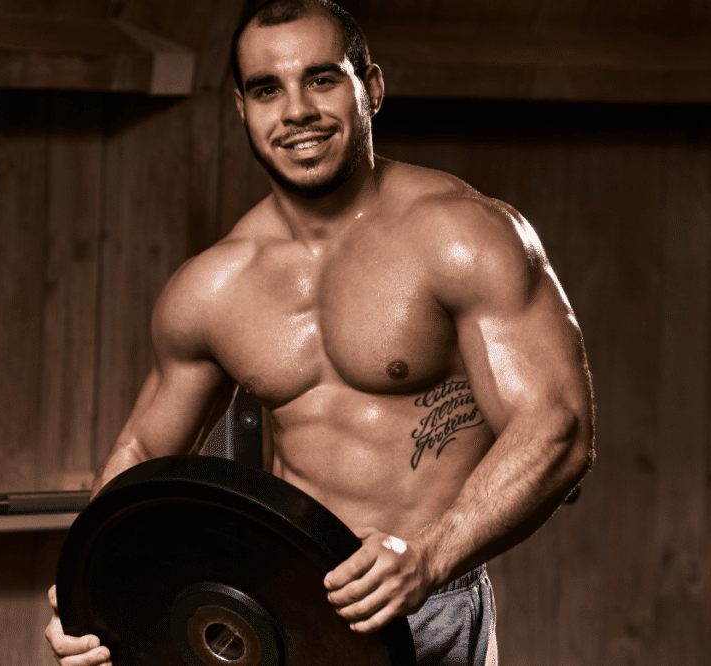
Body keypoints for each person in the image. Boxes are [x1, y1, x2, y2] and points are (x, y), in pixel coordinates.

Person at [45, 1, 594, 664]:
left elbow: (558, 428)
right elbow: (140, 450)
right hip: (274, 607)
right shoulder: (214, 285)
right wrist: (87, 595)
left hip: (423, 602)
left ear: (373, 89)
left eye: (322, 79)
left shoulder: (463, 237)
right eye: (266, 89)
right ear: (241, 109)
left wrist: (431, 555)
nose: (296, 109)